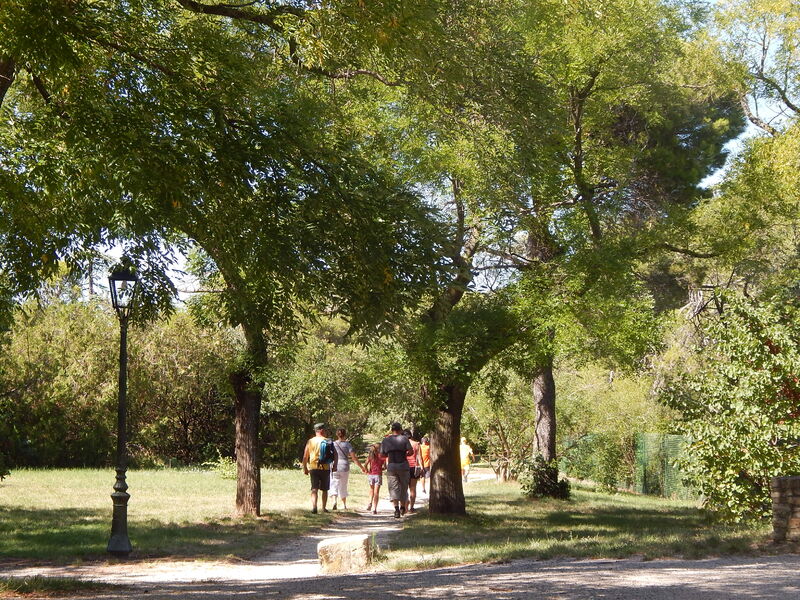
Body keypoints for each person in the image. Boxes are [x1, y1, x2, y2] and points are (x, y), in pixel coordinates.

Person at [302, 423, 338, 514]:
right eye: (325, 430)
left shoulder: (310, 441)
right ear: (322, 431)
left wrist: (305, 468)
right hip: (325, 468)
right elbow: (335, 455)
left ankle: (314, 507)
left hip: (313, 468)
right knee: (325, 489)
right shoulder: (328, 441)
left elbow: (305, 456)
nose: (326, 432)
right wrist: (335, 466)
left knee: (314, 488)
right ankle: (324, 507)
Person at [380, 422, 413, 519]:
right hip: (403, 465)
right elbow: (411, 451)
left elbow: (382, 455)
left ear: (392, 430)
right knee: (403, 486)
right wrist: (405, 454)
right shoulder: (404, 439)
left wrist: (389, 454)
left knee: (393, 487)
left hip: (391, 466)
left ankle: (396, 509)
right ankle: (403, 506)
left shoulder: (386, 440)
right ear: (400, 429)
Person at [330, 427, 366, 510]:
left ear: (337, 435)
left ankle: (334, 501)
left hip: (334, 466)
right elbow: (354, 458)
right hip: (345, 466)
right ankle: (343, 504)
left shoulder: (333, 444)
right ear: (345, 434)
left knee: (334, 484)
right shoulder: (348, 445)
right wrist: (362, 467)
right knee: (343, 485)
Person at [404, 429, 422, 512]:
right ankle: (411, 507)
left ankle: (405, 507)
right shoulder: (416, 444)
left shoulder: (402, 444)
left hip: (404, 467)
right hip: (414, 467)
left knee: (404, 488)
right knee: (413, 488)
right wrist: (421, 467)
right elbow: (419, 457)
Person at [364, 443, 385, 514]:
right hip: (378, 475)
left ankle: (370, 503)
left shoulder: (371, 456)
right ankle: (374, 509)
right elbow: (385, 466)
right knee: (376, 492)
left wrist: (367, 470)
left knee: (371, 490)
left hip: (371, 475)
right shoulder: (382, 456)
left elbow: (365, 464)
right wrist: (381, 469)